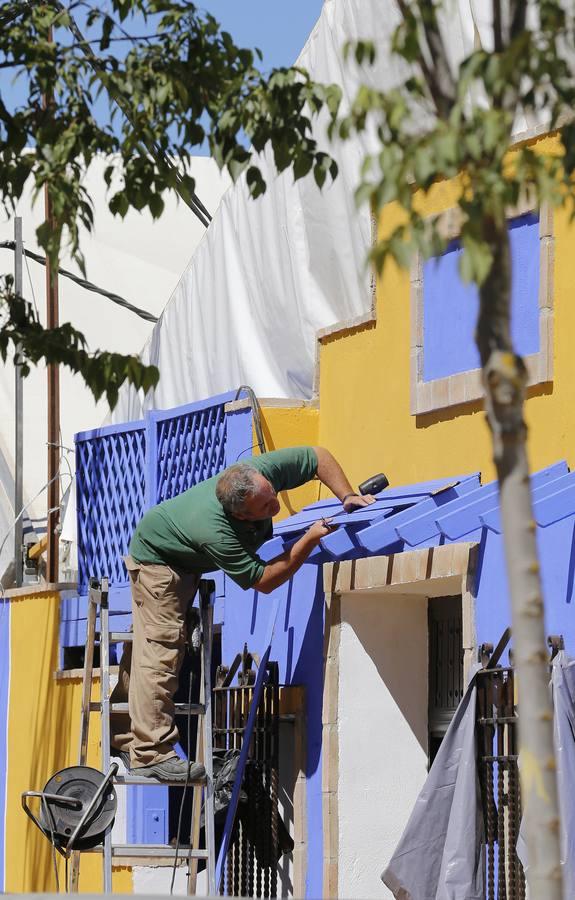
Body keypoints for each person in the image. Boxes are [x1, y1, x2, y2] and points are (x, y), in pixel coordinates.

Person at [110, 445, 375, 782]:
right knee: (160, 653)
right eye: (264, 507)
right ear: (241, 516)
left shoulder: (260, 473)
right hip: (159, 564)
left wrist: (347, 495)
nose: (275, 505)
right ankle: (150, 753)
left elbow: (318, 456)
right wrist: (307, 541)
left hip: (182, 556)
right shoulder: (216, 531)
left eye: (272, 495)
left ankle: (122, 736)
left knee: (148, 648)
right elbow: (264, 581)